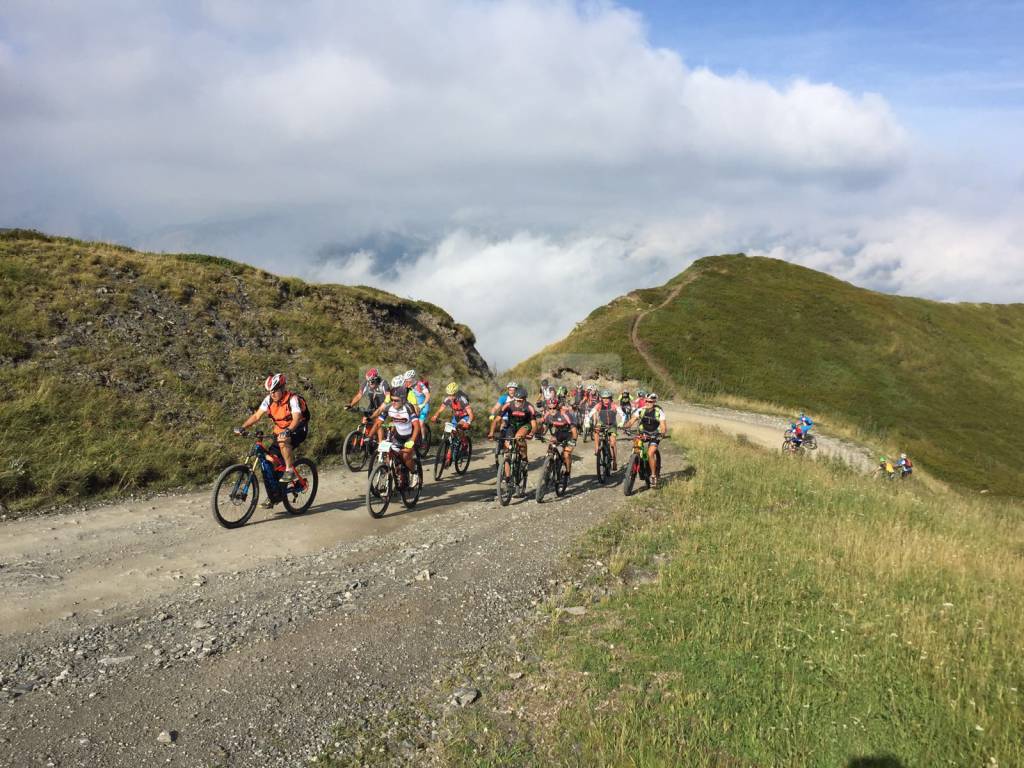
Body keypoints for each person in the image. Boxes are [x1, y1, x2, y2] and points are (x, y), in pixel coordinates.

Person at [238, 373, 309, 489]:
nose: (272, 394)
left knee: (282, 440)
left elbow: (296, 418)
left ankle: (290, 470)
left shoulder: (293, 399)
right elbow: (256, 416)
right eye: (270, 391)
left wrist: (288, 430)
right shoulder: (269, 400)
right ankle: (276, 493)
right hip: (281, 431)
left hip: (298, 428)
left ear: (282, 388)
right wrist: (243, 427)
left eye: (275, 390)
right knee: (271, 460)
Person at [370, 376, 422, 486]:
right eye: (392, 400)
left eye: (396, 400)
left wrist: (412, 440)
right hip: (398, 436)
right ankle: (392, 479)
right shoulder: (390, 407)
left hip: (411, 435)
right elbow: (378, 423)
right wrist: (368, 436)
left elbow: (417, 426)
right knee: (390, 455)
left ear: (403, 400)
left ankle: (414, 473)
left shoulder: (408, 408)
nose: (393, 402)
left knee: (405, 456)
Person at [624, 391, 667, 487]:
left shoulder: (659, 412)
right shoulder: (641, 410)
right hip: (643, 433)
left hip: (655, 434)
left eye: (650, 402)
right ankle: (635, 462)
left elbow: (663, 426)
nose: (647, 403)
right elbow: (631, 421)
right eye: (646, 401)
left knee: (650, 453)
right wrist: (625, 426)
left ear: (654, 402)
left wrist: (662, 433)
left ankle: (653, 475)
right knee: (636, 447)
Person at [496, 386, 538, 469]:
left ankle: (524, 458)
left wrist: (532, 433)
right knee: (506, 448)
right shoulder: (508, 405)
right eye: (516, 399)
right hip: (512, 425)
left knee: (519, 437)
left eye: (520, 400)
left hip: (525, 425)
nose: (517, 402)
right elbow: (497, 419)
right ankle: (506, 478)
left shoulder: (529, 407)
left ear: (525, 399)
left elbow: (533, 424)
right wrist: (492, 432)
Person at [584, 389, 626, 470]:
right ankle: (596, 448)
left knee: (613, 443)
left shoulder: (614, 405)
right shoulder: (599, 405)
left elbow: (623, 415)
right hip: (602, 423)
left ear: (610, 398)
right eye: (603, 398)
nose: (605, 400)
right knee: (596, 430)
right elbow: (589, 414)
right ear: (601, 398)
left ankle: (614, 461)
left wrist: (622, 423)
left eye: (607, 398)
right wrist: (587, 422)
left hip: (612, 424)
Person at [541, 395, 577, 475]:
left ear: (558, 407)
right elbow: (545, 426)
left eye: (554, 408)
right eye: (550, 408)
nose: (552, 410)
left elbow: (574, 429)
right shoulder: (547, 415)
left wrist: (573, 440)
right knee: (551, 447)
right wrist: (540, 434)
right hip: (559, 433)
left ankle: (567, 472)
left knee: (566, 454)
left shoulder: (564, 415)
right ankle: (549, 465)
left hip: (569, 433)